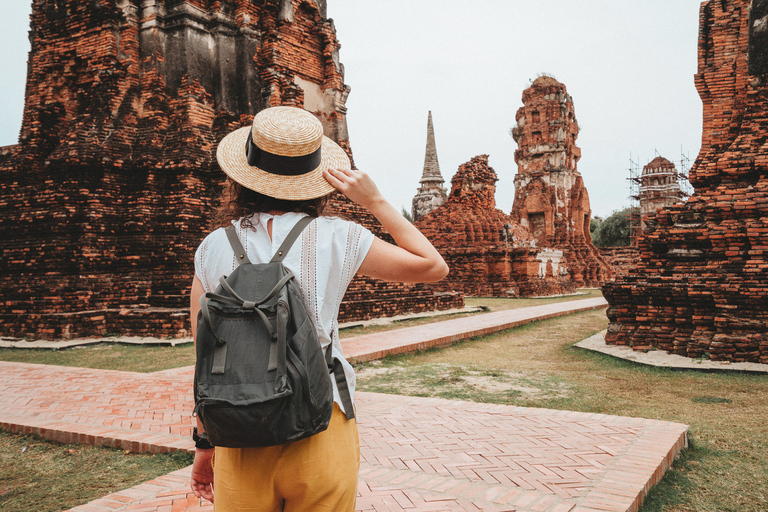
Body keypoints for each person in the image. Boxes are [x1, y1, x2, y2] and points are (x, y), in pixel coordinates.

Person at [188, 106, 448, 511]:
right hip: (321, 418)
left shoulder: (212, 247)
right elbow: (434, 267)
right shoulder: (336, 236)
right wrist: (374, 200)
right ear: (315, 178)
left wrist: (205, 441)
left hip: (238, 426)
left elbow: (203, 355)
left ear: (244, 176)